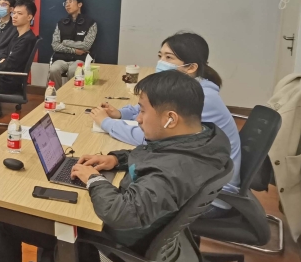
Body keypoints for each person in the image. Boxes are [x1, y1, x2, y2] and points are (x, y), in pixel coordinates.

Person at [0, 70, 233, 262]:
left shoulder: (172, 171)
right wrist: (115, 159)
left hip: (116, 250)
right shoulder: (204, 139)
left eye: (142, 111)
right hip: (148, 237)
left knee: (6, 220)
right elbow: (152, 154)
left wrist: (93, 179)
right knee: (55, 202)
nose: (138, 119)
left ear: (170, 118)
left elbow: (120, 212)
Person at [89, 32, 241, 217]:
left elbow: (147, 137)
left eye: (169, 57)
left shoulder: (200, 98)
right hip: (199, 180)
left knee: (93, 209)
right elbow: (151, 116)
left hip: (210, 198)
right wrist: (117, 158)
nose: (161, 62)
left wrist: (106, 124)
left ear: (191, 67)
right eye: (160, 56)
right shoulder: (192, 89)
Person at [0, 0, 37, 115]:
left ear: (29, 17)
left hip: (8, 82)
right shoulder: (17, 35)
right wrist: (1, 60)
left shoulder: (27, 40)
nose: (15, 16)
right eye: (14, 13)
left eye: (19, 13)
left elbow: (9, 65)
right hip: (2, 76)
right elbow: (4, 54)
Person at [48, 0, 98, 86]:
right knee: (53, 70)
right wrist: (74, 50)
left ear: (79, 4)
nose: (67, 5)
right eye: (66, 3)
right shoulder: (61, 23)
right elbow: (55, 45)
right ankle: (56, 93)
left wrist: (65, 42)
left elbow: (86, 46)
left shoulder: (90, 23)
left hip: (81, 59)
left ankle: (71, 94)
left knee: (73, 70)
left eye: (70, 2)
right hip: (61, 58)